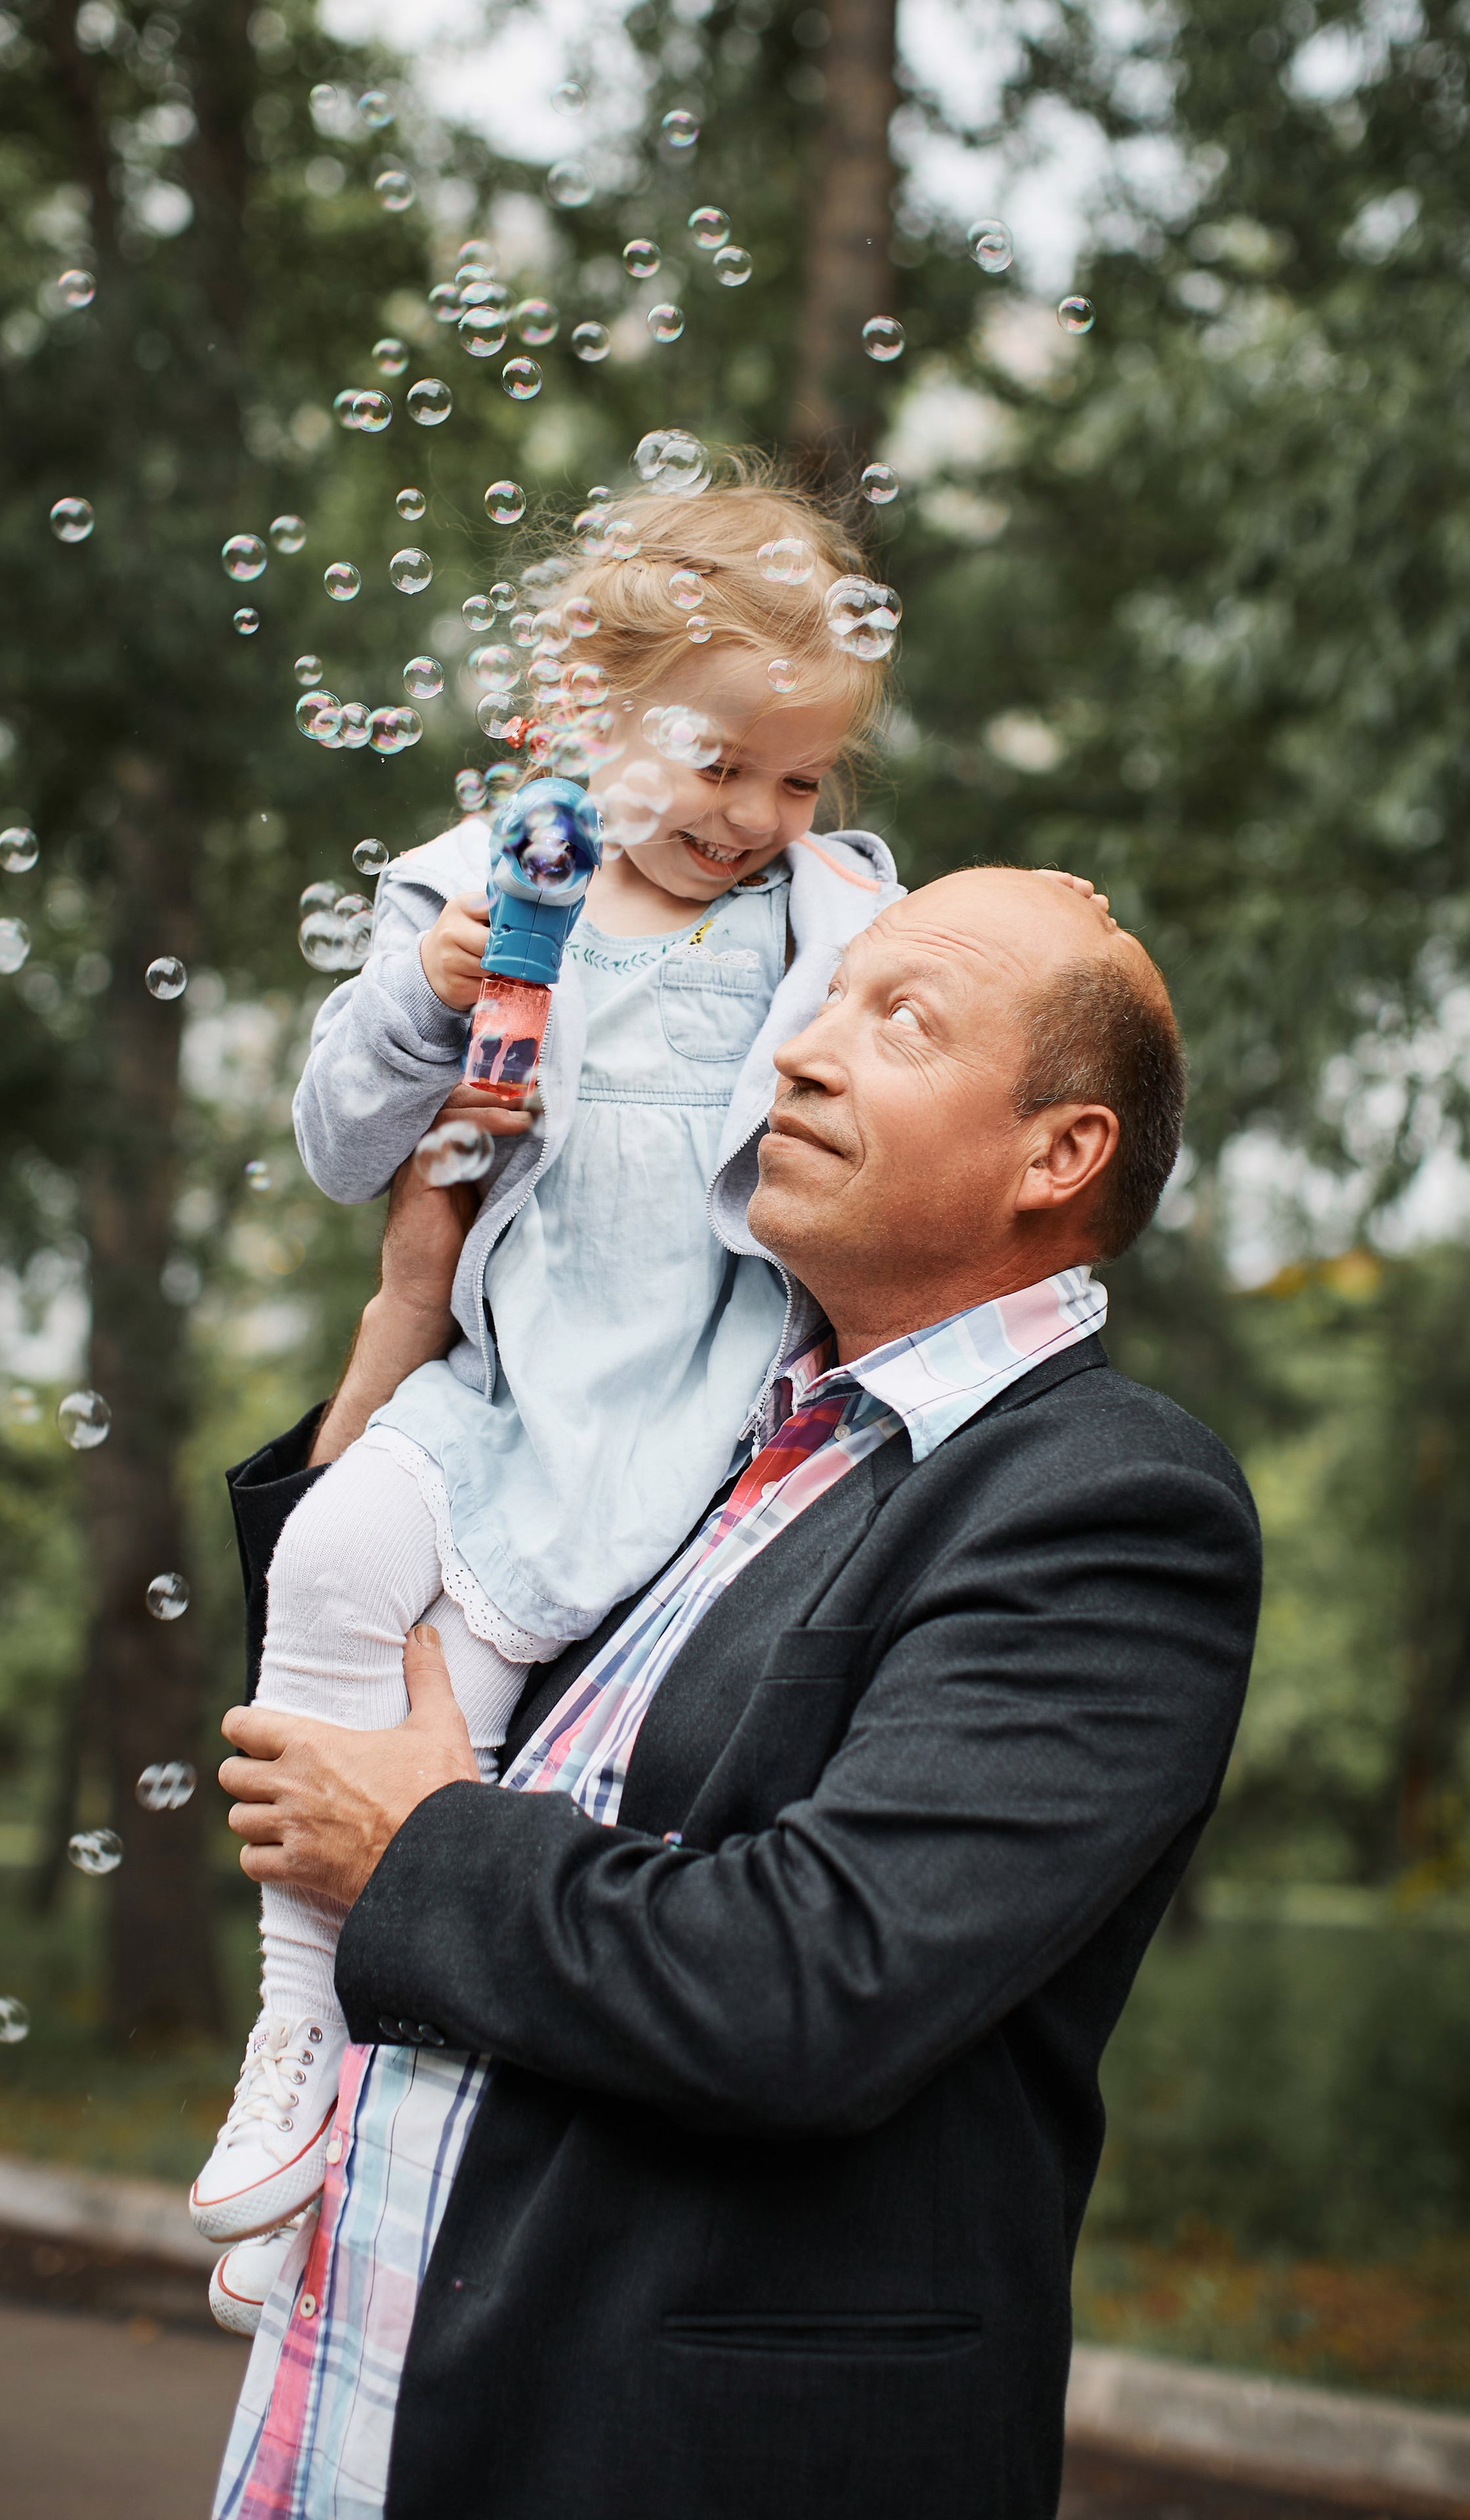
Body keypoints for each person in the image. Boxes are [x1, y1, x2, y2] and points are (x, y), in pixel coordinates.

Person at [209, 866, 1263, 2520]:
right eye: (818, 996)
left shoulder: (1105, 1505)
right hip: (359, 2414)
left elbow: (808, 1984)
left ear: (1060, 1153)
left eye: (897, 1017)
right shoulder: (701, 1429)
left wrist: (414, 1854)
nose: (796, 1051)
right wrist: (410, 1312)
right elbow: (346, 1728)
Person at [189, 474, 909, 2251]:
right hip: (516, 1387)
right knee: (335, 1554)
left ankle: (375, 2152)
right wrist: (422, 997)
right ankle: (294, 2024)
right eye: (716, 761)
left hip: (703, 1401)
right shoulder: (490, 882)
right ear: (598, 702)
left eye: (797, 777)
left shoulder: (839, 915)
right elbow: (348, 1146)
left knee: (501, 1774)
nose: (752, 815)